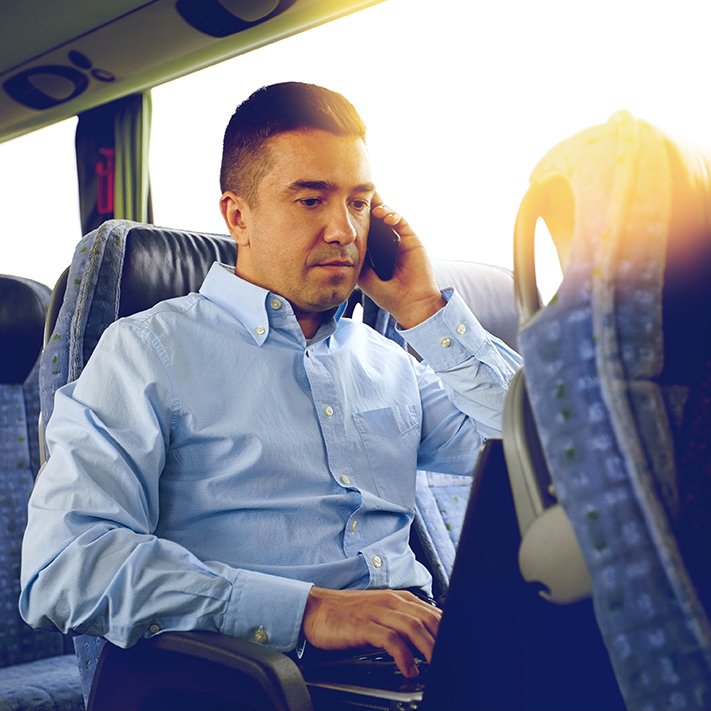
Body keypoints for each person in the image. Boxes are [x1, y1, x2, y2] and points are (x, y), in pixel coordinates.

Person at [20, 82, 521, 680]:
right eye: (311, 201)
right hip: (261, 680)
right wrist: (307, 610)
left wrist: (424, 308)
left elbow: (540, 447)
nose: (344, 231)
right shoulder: (148, 352)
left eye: (359, 202)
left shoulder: (390, 362)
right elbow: (63, 568)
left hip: (423, 665)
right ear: (239, 215)